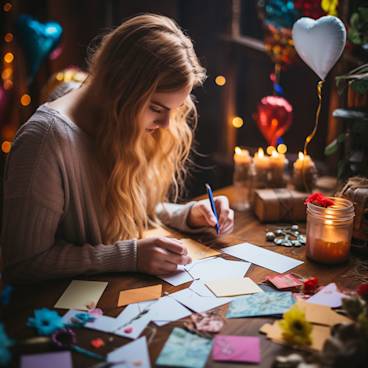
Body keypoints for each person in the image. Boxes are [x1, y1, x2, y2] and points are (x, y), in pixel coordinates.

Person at [1, 14, 234, 283]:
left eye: (174, 110)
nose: (167, 124)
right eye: (156, 108)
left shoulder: (114, 118)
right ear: (119, 91)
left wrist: (189, 215)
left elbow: (121, 210)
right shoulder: (43, 142)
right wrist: (130, 256)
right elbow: (23, 263)